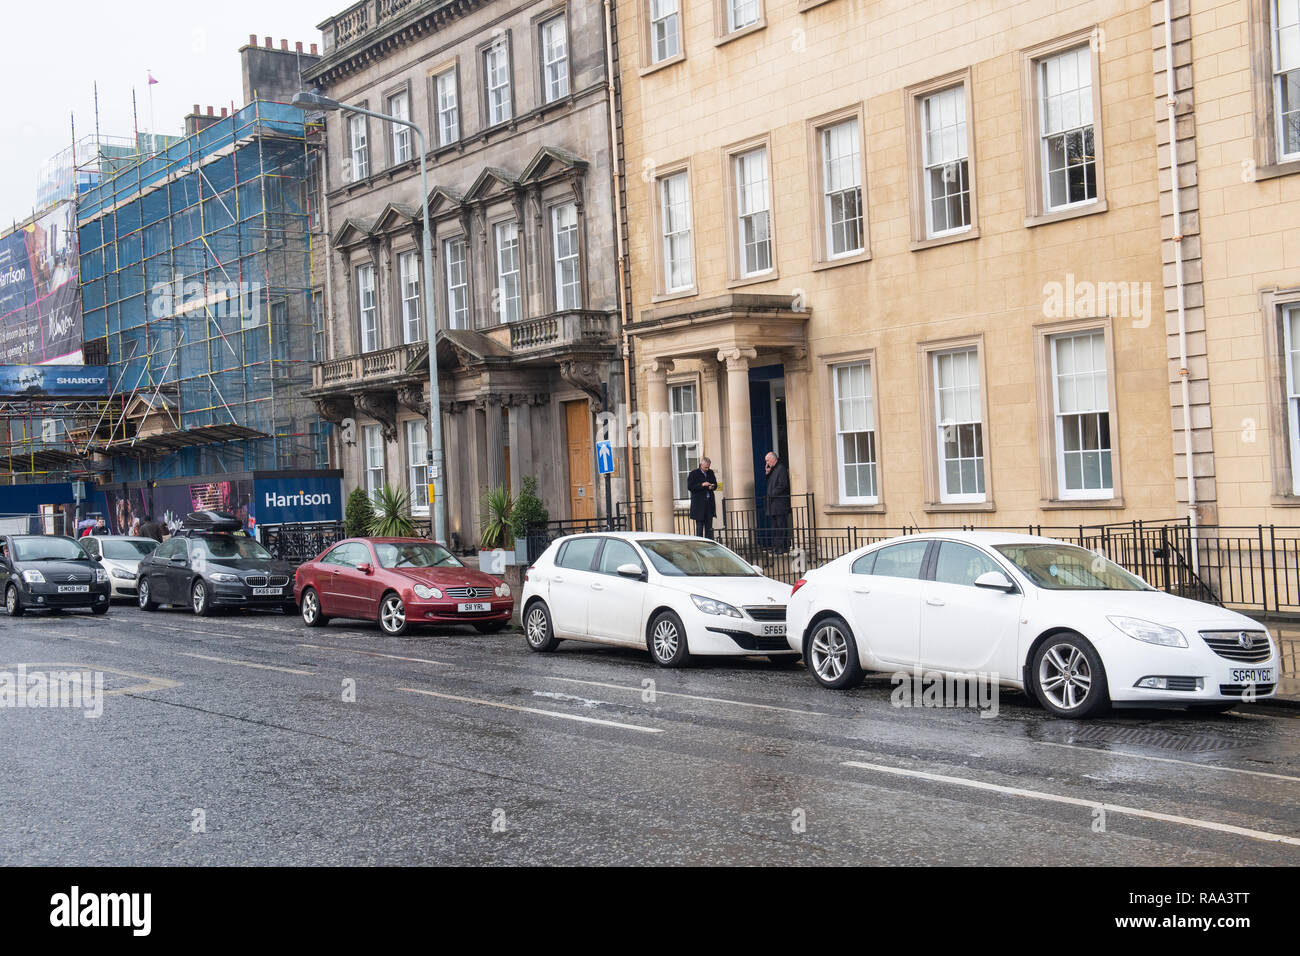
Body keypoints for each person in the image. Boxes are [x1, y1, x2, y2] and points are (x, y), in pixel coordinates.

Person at [764, 451, 791, 553]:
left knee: (781, 526)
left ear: (773, 459)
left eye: (767, 460)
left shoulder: (781, 469)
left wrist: (772, 494)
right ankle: (776, 547)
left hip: (780, 504)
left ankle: (782, 548)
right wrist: (767, 472)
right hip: (773, 504)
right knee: (774, 528)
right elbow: (770, 482)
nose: (766, 462)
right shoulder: (773, 469)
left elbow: (783, 485)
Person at [686, 457, 718, 540]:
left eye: (708, 467)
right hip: (699, 505)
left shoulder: (710, 472)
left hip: (709, 504)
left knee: (709, 529)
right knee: (699, 529)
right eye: (705, 467)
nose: (707, 469)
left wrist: (712, 487)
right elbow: (690, 487)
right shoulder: (693, 473)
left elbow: (715, 484)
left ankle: (709, 546)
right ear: (701, 465)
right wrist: (702, 485)